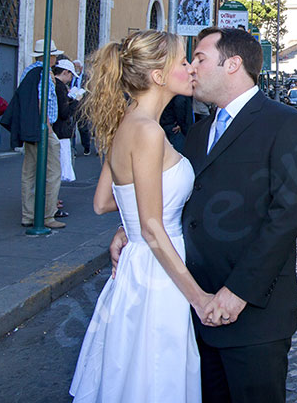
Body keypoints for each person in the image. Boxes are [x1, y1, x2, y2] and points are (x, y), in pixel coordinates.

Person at [109, 27, 297, 402]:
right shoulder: (197, 131)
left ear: (233, 64)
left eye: (200, 59)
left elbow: (286, 216)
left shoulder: (287, 123)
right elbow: (177, 197)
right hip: (189, 311)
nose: (192, 69)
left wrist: (239, 292)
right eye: (187, 61)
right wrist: (130, 227)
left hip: (253, 317)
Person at [70, 30, 213, 402]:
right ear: (158, 76)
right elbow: (151, 227)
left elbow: (104, 201)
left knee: (133, 372)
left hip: (138, 265)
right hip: (160, 271)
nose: (190, 69)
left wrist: (130, 220)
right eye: (183, 62)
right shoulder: (148, 132)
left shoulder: (126, 124)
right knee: (156, 375)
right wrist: (198, 298)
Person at [0, 39, 65, 229]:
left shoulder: (29, 71)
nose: (56, 58)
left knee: (29, 172)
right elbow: (40, 98)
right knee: (52, 172)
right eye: (54, 55)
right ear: (49, 56)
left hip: (30, 128)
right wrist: (47, 125)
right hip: (42, 128)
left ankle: (28, 214)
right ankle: (47, 215)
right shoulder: (44, 73)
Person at [52, 59, 78, 187]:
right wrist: (75, 101)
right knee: (59, 168)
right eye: (71, 74)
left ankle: (52, 199)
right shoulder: (60, 87)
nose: (71, 78)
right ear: (66, 72)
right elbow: (64, 112)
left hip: (56, 129)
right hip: (60, 131)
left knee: (56, 167)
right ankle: (52, 200)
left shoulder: (55, 85)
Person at [71, 59, 93, 155]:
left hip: (82, 106)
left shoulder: (87, 78)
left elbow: (90, 91)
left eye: (77, 67)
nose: (76, 69)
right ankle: (73, 149)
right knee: (71, 129)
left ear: (81, 68)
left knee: (83, 129)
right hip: (71, 106)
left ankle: (86, 146)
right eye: (74, 67)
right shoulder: (70, 77)